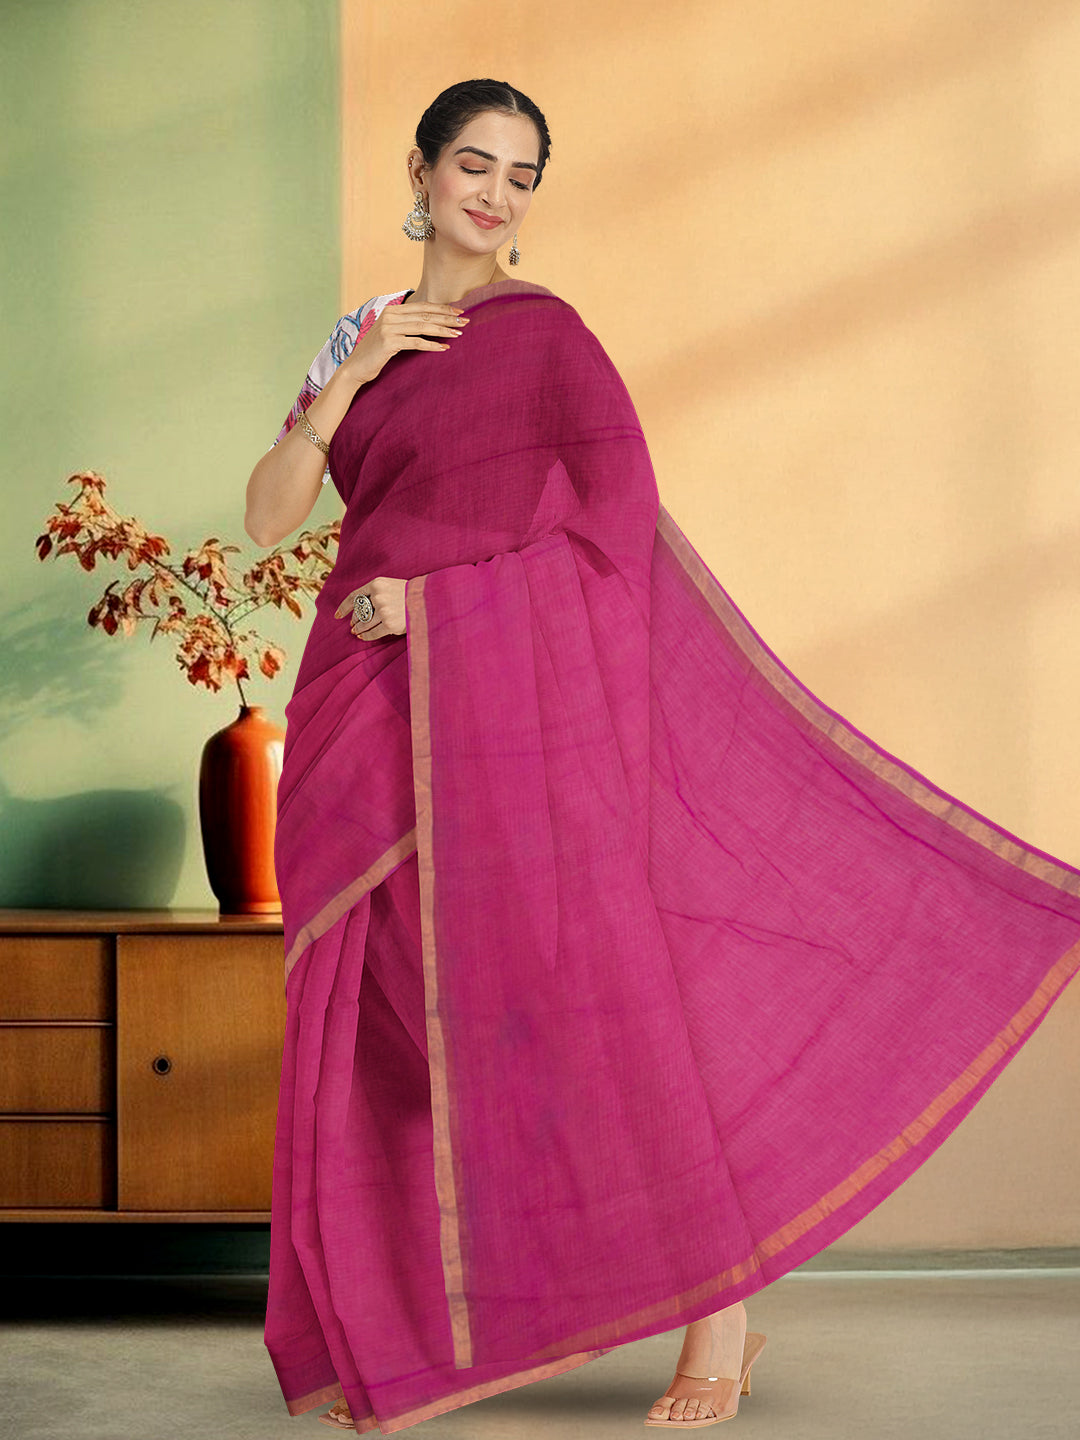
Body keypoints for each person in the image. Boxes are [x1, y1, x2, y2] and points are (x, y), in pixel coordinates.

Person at [248, 79, 1080, 1435]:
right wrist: (349, 375)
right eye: (474, 164)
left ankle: (721, 1316)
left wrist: (438, 608)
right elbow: (270, 512)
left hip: (498, 715)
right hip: (362, 708)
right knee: (379, 1012)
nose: (495, 195)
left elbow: (610, 536)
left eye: (521, 176)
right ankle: (410, 1328)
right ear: (422, 170)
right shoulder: (361, 337)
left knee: (583, 1006)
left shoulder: (549, 341)